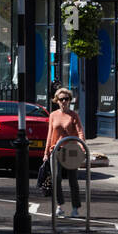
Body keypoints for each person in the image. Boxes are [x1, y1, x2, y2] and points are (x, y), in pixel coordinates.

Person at [43, 87, 85, 218]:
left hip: (71, 151)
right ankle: (59, 206)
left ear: (70, 101)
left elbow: (80, 132)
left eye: (66, 99)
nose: (64, 101)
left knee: (73, 180)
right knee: (56, 178)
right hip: (56, 150)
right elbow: (50, 134)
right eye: (61, 99)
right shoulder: (53, 115)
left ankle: (75, 208)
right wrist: (46, 152)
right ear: (57, 100)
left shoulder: (74, 115)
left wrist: (82, 146)